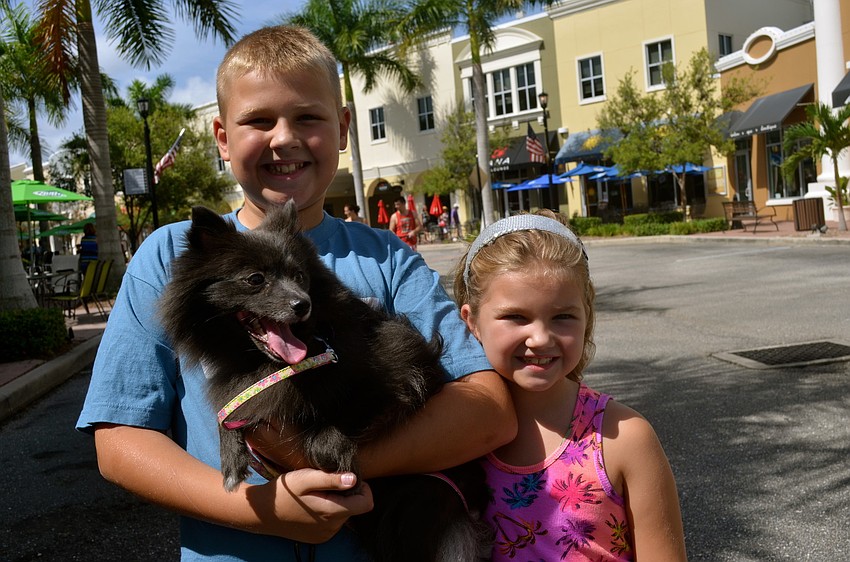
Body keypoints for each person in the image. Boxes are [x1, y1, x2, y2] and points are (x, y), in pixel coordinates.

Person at [76, 25, 514, 562]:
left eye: (307, 117)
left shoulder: (388, 259)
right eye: (258, 120)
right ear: (222, 138)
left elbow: (488, 411)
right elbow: (120, 442)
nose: (284, 138)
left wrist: (342, 460)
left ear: (343, 128)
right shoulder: (171, 258)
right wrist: (262, 507)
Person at [454, 211, 687, 561]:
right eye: (516, 317)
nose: (540, 338)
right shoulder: (452, 435)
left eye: (562, 316)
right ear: (472, 321)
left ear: (586, 315)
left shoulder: (624, 439)